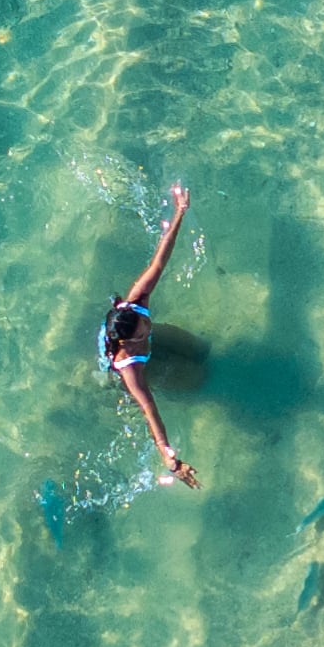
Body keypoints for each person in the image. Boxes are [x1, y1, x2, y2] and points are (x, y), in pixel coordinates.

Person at [103, 181, 201, 487]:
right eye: (142, 329)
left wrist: (180, 213)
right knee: (198, 381)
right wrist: (169, 459)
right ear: (130, 340)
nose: (146, 324)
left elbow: (161, 258)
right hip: (138, 366)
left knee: (201, 351)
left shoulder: (137, 302)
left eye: (143, 321)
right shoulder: (129, 365)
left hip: (141, 344)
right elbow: (149, 409)